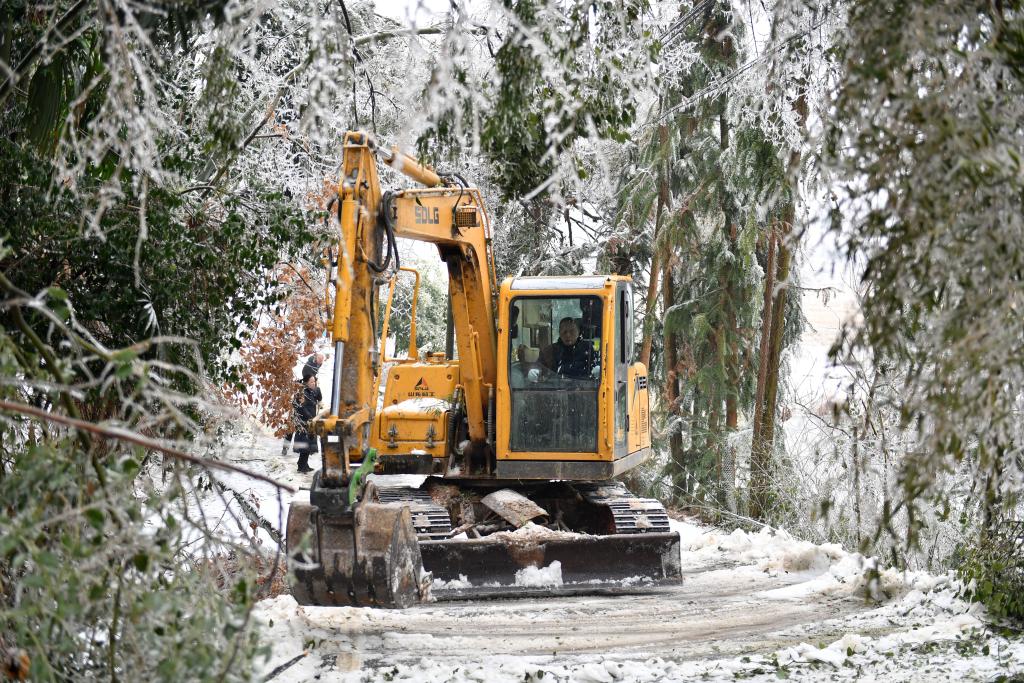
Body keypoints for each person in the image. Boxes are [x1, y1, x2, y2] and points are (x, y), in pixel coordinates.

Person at [281, 351, 326, 455]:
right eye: (320, 360)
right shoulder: (308, 367)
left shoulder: (317, 364)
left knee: (307, 426)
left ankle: (308, 449)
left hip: (308, 399)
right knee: (292, 427)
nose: (321, 362)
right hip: (299, 404)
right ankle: (285, 447)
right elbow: (305, 378)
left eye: (322, 361)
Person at [292, 375, 322, 473]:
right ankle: (301, 466)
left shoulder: (312, 391)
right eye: (312, 382)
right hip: (303, 422)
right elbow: (301, 408)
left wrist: (319, 394)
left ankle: (304, 464)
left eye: (314, 381)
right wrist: (310, 418)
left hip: (310, 421)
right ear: (306, 382)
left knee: (308, 445)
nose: (314, 383)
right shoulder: (302, 393)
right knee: (305, 445)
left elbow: (319, 395)